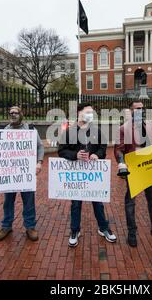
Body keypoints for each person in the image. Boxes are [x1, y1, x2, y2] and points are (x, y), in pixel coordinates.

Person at [114, 101, 152, 248]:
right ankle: (132, 232)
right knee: (131, 202)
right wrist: (122, 163)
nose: (140, 111)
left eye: (142, 108)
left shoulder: (148, 126)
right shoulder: (124, 129)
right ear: (130, 111)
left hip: (149, 168)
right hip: (134, 169)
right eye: (137, 108)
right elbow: (118, 148)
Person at [58, 103, 117, 248]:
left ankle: (103, 228)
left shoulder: (97, 131)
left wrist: (97, 155)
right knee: (76, 204)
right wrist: (75, 155)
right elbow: (61, 151)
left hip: (93, 174)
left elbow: (103, 148)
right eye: (88, 112)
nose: (91, 114)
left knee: (98, 203)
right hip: (76, 175)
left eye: (92, 112)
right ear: (79, 113)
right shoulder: (69, 132)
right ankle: (74, 230)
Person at [0, 106, 44, 242]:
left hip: (26, 173)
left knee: (29, 201)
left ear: (21, 114)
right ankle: (6, 226)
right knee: (8, 201)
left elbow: (40, 146)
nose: (13, 114)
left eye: (15, 112)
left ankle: (30, 227)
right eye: (11, 113)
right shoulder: (5, 131)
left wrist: (39, 162)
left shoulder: (30, 129)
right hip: (9, 174)